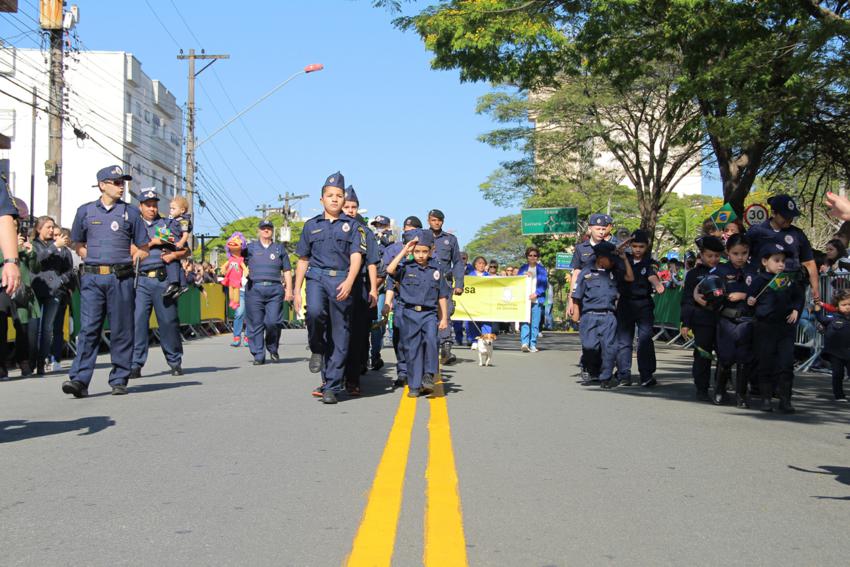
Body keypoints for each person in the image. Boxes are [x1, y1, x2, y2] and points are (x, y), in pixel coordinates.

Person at [62, 165, 149, 398]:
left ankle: (119, 378)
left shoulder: (131, 213)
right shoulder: (85, 211)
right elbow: (77, 243)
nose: (121, 186)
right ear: (102, 185)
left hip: (120, 277)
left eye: (123, 182)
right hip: (92, 278)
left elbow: (144, 248)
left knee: (121, 329)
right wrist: (85, 254)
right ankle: (79, 380)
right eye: (116, 182)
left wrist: (129, 259)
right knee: (89, 328)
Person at [293, 172, 364, 405]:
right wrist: (295, 291)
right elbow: (302, 259)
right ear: (322, 199)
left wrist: (350, 281)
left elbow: (356, 257)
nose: (335, 199)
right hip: (317, 279)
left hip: (343, 280)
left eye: (339, 196)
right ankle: (316, 347)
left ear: (344, 200)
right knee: (314, 313)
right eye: (330, 195)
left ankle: (332, 385)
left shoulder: (353, 226)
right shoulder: (310, 226)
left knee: (340, 334)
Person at [130, 189, 188, 378]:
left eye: (155, 205)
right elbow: (128, 251)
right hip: (141, 279)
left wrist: (173, 254)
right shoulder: (133, 226)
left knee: (168, 322)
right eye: (148, 205)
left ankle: (175, 361)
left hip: (163, 279)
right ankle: (135, 364)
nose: (152, 208)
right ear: (140, 206)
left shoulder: (165, 224)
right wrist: (152, 243)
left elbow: (183, 250)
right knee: (138, 322)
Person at [386, 230, 450, 397]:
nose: (421, 255)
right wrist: (404, 251)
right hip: (409, 313)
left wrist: (444, 318)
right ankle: (414, 385)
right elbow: (390, 269)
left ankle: (428, 375)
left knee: (431, 340)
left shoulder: (437, 270)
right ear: (412, 251)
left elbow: (442, 295)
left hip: (429, 313)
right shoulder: (406, 267)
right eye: (417, 251)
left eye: (424, 251)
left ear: (431, 250)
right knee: (412, 348)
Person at [747, 242, 804, 413]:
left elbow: (798, 297)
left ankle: (785, 400)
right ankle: (766, 398)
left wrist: (795, 309)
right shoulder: (759, 280)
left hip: (784, 327)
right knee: (766, 362)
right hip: (765, 326)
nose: (780, 264)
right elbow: (749, 301)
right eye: (776, 260)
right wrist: (750, 301)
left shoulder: (787, 280)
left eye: (783, 261)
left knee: (786, 363)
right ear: (765, 262)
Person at [571, 240, 633, 389]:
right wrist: (575, 314)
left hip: (608, 316)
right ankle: (588, 365)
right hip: (589, 316)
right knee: (590, 346)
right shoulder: (586, 273)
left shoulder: (614, 272)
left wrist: (624, 259)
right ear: (600, 258)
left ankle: (606, 377)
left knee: (609, 348)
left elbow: (630, 278)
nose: (612, 262)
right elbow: (577, 295)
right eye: (610, 259)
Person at [710, 234, 757, 407]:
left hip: (747, 319)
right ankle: (720, 390)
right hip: (727, 319)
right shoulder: (720, 270)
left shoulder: (754, 270)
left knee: (744, 359)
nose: (740, 257)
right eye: (735, 253)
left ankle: (742, 395)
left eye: (744, 253)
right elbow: (709, 291)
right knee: (726, 357)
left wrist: (744, 295)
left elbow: (762, 292)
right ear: (728, 253)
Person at [747, 194, 820, 304]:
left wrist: (815, 288)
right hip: (762, 291)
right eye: (785, 216)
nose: (789, 219)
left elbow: (809, 262)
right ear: (774, 213)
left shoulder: (798, 234)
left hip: (790, 290)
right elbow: (742, 255)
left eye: (791, 216)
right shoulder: (756, 231)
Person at [568, 213, 616, 381]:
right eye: (597, 228)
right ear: (590, 229)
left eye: (604, 228)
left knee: (605, 343)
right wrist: (571, 301)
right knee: (589, 341)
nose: (601, 231)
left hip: (605, 298)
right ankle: (588, 366)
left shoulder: (610, 248)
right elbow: (576, 274)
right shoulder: (581, 248)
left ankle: (601, 372)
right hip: (586, 296)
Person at [341, 186, 379, 396]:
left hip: (360, 286)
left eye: (354, 207)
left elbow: (372, 261)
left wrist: (373, 289)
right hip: (335, 284)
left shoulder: (366, 232)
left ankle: (353, 379)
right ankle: (333, 377)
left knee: (357, 335)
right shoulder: (331, 226)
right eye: (347, 206)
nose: (350, 210)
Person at [615, 229, 664, 387]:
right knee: (624, 340)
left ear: (647, 246)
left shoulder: (651, 262)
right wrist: (623, 245)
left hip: (643, 304)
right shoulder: (623, 258)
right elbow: (613, 252)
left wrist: (657, 284)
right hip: (625, 303)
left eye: (641, 246)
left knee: (644, 340)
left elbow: (652, 275)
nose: (637, 249)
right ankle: (623, 374)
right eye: (634, 245)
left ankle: (646, 375)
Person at [680, 235, 724, 401]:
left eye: (717, 256)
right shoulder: (693, 275)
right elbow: (687, 301)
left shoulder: (725, 272)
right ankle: (702, 388)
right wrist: (686, 322)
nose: (713, 259)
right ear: (702, 255)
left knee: (724, 355)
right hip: (702, 320)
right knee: (702, 355)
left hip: (722, 320)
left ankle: (721, 388)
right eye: (709, 256)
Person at [245, 218, 293, 366]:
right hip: (255, 289)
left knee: (273, 322)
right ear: (259, 230)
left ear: (272, 231)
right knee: (256, 323)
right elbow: (234, 253)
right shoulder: (250, 247)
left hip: (274, 289)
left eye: (269, 228)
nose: (266, 230)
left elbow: (286, 270)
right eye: (264, 228)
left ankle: (272, 348)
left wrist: (289, 290)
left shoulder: (279, 249)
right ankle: (258, 354)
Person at [30, 216, 74, 375]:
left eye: (52, 227)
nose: (51, 230)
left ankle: (42, 363)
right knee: (34, 329)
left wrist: (61, 281)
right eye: (48, 227)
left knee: (47, 328)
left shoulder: (60, 248)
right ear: (38, 229)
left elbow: (69, 269)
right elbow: (37, 259)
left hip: (53, 291)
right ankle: (31, 362)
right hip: (36, 290)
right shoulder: (34, 245)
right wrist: (55, 246)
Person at [383, 216, 422, 388]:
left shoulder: (427, 262)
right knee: (399, 340)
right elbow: (390, 281)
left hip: (422, 308)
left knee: (419, 341)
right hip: (401, 305)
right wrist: (387, 305)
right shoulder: (399, 263)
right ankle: (402, 373)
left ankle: (418, 373)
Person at [427, 209, 464, 365]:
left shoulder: (451, 239)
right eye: (434, 220)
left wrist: (459, 284)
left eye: (439, 220)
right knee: (428, 314)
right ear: (428, 220)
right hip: (426, 281)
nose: (437, 222)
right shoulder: (423, 236)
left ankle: (446, 348)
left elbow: (457, 262)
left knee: (445, 313)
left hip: (445, 282)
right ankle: (428, 346)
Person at [814, 289, 850, 401]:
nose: (848, 307)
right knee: (838, 374)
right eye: (844, 305)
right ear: (837, 306)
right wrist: (817, 306)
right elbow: (820, 318)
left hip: (848, 352)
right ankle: (839, 395)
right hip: (835, 352)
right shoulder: (832, 318)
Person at [369, 214, 393, 370]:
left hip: (382, 285)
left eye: (381, 225)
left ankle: (375, 353)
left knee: (378, 320)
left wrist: (382, 236)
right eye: (376, 225)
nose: (378, 227)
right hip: (368, 282)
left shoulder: (390, 240)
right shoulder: (370, 238)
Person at [518, 246, 547, 353]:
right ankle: (524, 343)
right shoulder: (523, 268)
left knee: (535, 323)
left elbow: (544, 284)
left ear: (537, 257)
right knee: (525, 321)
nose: (532, 257)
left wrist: (536, 293)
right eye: (530, 255)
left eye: (535, 255)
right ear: (527, 257)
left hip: (537, 299)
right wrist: (523, 275)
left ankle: (533, 344)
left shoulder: (541, 269)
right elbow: (517, 281)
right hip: (525, 300)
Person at [163, 195, 192, 299]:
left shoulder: (183, 220)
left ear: (182, 210)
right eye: (170, 208)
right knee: (178, 266)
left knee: (171, 261)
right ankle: (183, 285)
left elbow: (185, 234)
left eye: (173, 208)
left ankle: (174, 283)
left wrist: (181, 242)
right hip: (172, 242)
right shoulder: (172, 219)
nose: (171, 210)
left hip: (177, 243)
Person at [464, 256, 492, 346]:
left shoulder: (489, 277)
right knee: (472, 322)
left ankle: (486, 340)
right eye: (479, 263)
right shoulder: (469, 276)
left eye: (483, 263)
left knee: (486, 322)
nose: (481, 265)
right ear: (475, 265)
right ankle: (474, 341)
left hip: (485, 303)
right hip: (473, 303)